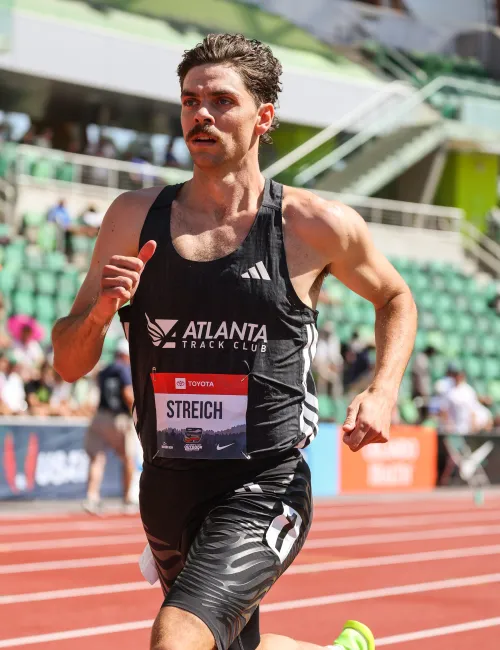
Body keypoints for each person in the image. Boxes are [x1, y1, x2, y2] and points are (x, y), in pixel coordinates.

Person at [52, 34, 417, 650]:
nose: (201, 114)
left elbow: (396, 297)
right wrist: (98, 317)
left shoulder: (311, 225)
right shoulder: (131, 218)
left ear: (262, 118)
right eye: (190, 100)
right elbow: (67, 364)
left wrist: (382, 391)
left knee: (179, 635)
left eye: (222, 100)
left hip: (264, 484)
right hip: (166, 482)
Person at [82, 338, 137, 513]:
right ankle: (128, 498)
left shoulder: (104, 370)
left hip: (100, 416)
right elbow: (128, 394)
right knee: (128, 459)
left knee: (97, 459)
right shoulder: (124, 369)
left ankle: (92, 497)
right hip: (119, 419)